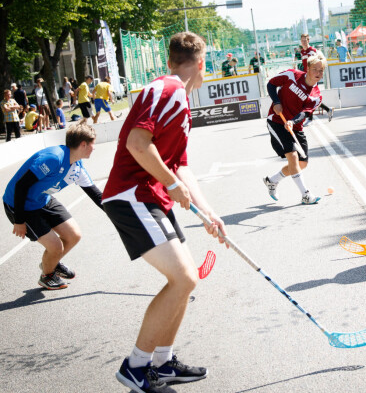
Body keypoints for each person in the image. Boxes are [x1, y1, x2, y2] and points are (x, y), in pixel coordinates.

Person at [102, 32, 228, 392]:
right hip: (132, 194)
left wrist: (209, 212)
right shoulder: (166, 90)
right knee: (184, 279)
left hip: (153, 194)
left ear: (170, 59)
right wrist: (172, 184)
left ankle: (162, 362)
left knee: (187, 281)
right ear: (201, 64)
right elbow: (137, 144)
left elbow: (180, 166)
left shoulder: (180, 100)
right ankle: (136, 365)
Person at [2, 123, 103, 289]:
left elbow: (96, 196)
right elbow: (21, 186)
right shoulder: (53, 158)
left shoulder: (76, 166)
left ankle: (51, 263)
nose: (94, 148)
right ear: (83, 144)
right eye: (93, 143)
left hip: (41, 199)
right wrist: (19, 220)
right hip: (19, 203)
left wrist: (122, 216)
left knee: (74, 235)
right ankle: (47, 276)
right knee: (55, 247)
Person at [263, 53, 326, 205]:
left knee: (301, 164)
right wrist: (276, 101)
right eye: (315, 69)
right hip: (276, 121)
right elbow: (271, 84)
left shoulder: (316, 96)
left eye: (321, 70)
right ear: (308, 68)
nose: (318, 73)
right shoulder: (292, 75)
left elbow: (305, 113)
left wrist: (292, 121)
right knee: (293, 157)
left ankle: (272, 180)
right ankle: (305, 195)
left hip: (295, 126)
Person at [298, 33, 333, 122]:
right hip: (306, 76)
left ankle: (310, 117)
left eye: (305, 40)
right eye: (302, 41)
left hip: (312, 76)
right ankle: (328, 110)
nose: (304, 42)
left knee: (310, 96)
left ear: (308, 41)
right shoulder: (302, 51)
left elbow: (319, 62)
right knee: (310, 97)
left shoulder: (313, 51)